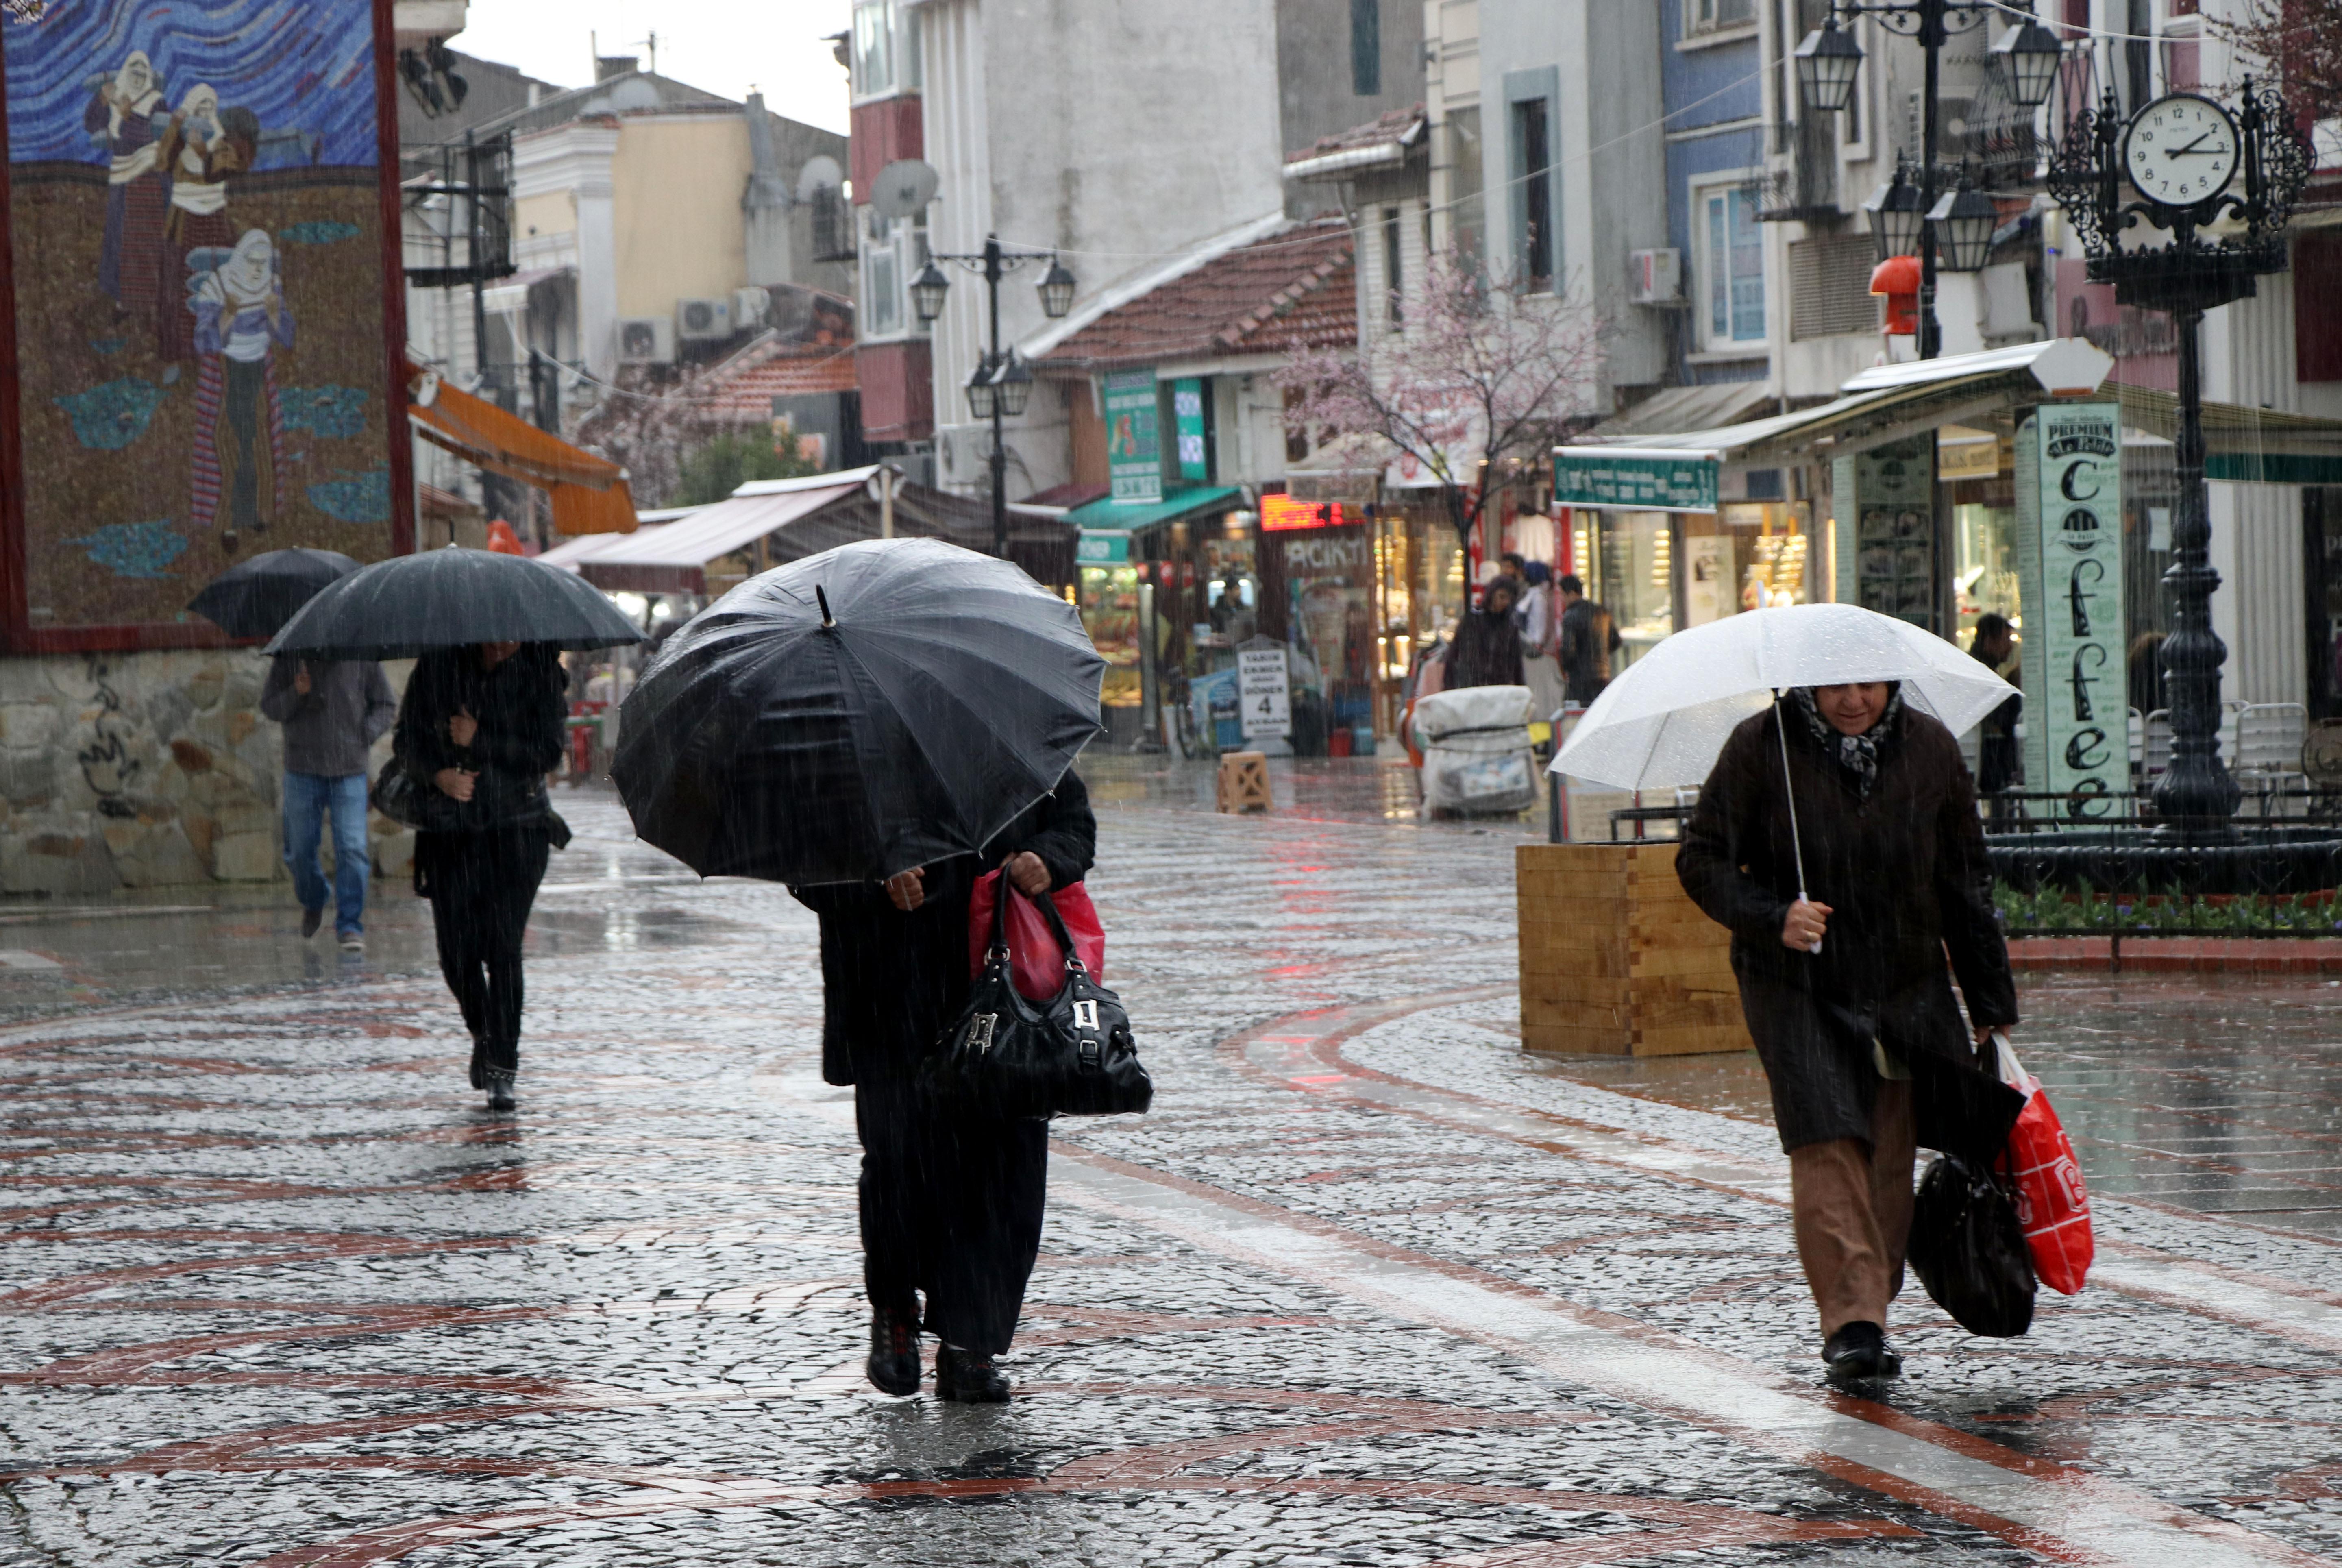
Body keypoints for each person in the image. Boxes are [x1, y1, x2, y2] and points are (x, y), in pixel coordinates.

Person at [1677, 681, 2022, 1384]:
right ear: (1809, 683)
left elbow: (1964, 879)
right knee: (1826, 1138)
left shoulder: (1929, 748)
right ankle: (1854, 1325)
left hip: (1903, 981)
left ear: (1893, 683)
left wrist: (1990, 998)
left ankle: (1871, 1295)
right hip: (1796, 984)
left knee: (1889, 1151)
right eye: (1837, 685)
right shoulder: (1760, 745)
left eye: (1869, 684)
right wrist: (1774, 914)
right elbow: (1702, 858)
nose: (1854, 699)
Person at [792, 773, 1096, 1404]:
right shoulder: (848, 752)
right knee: (900, 1166)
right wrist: (874, 880)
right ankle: (896, 1316)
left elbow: (1074, 825)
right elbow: (806, 860)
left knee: (1005, 1169)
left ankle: (971, 1345)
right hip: (891, 998)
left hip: (1004, 995)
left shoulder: (1009, 730)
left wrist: (1050, 859)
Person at [392, 640, 569, 1112]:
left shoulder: (540, 670)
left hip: (518, 828)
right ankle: (484, 1032)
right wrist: (439, 774)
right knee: (456, 953)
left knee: (504, 947)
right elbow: (405, 742)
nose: (501, 643)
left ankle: (502, 1067)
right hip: (452, 831)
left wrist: (481, 739)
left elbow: (547, 753)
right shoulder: (437, 664)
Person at [260, 653, 396, 952]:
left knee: (352, 849)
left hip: (349, 771)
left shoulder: (361, 654)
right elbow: (270, 706)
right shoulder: (290, 656)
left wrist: (365, 734)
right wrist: (297, 692)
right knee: (298, 849)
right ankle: (315, 898)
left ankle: (349, 925)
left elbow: (386, 705)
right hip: (302, 769)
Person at [1969, 613, 2022, 799]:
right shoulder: (1980, 673)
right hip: (1988, 761)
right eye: (2006, 639)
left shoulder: (1984, 669)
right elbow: (2000, 718)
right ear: (1990, 641)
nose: (2010, 646)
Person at [1445, 576, 1527, 690]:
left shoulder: (1510, 626)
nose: (1505, 603)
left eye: (1509, 599)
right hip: (1472, 685)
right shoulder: (1473, 619)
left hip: (1499, 687)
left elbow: (1517, 663)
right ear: (1492, 594)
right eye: (1502, 597)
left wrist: (1521, 689)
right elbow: (1454, 653)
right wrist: (1449, 686)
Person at [1555, 575, 1621, 706]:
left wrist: (1566, 666)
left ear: (1572, 594)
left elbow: (1568, 650)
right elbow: (1616, 640)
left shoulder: (1571, 615)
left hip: (1580, 678)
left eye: (1563, 595)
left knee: (1579, 716)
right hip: (1603, 675)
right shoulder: (1601, 611)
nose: (1562, 599)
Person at [1517, 562, 1565, 722]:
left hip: (1534, 654)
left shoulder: (1538, 597)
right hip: (1529, 651)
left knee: (1538, 696)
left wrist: (1534, 644)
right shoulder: (1533, 595)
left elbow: (1539, 625)